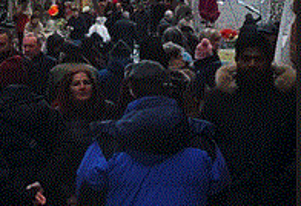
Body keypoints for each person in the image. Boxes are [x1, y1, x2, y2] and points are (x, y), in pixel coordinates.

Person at [76, 61, 230, 206]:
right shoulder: (200, 139)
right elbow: (220, 188)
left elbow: (87, 186)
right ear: (167, 88)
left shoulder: (109, 141)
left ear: (132, 91)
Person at [201, 30, 296, 205]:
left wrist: (284, 180)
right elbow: (206, 143)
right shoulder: (218, 99)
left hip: (279, 194)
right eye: (246, 59)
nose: (252, 64)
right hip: (231, 193)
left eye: (258, 59)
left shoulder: (287, 97)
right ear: (237, 61)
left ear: (268, 61)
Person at [0, 56, 66, 205]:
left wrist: (22, 191)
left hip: (8, 198)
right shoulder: (51, 114)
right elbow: (61, 154)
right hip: (48, 194)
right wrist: (42, 183)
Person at [51, 66, 116, 205]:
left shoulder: (108, 109)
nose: (82, 87)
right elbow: (56, 157)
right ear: (68, 89)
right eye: (76, 84)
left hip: (103, 183)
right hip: (72, 184)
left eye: (86, 83)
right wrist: (67, 193)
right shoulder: (59, 115)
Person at [21, 33, 55, 97]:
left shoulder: (49, 63)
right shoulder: (20, 61)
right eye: (25, 46)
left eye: (31, 46)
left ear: (39, 46)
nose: (27, 50)